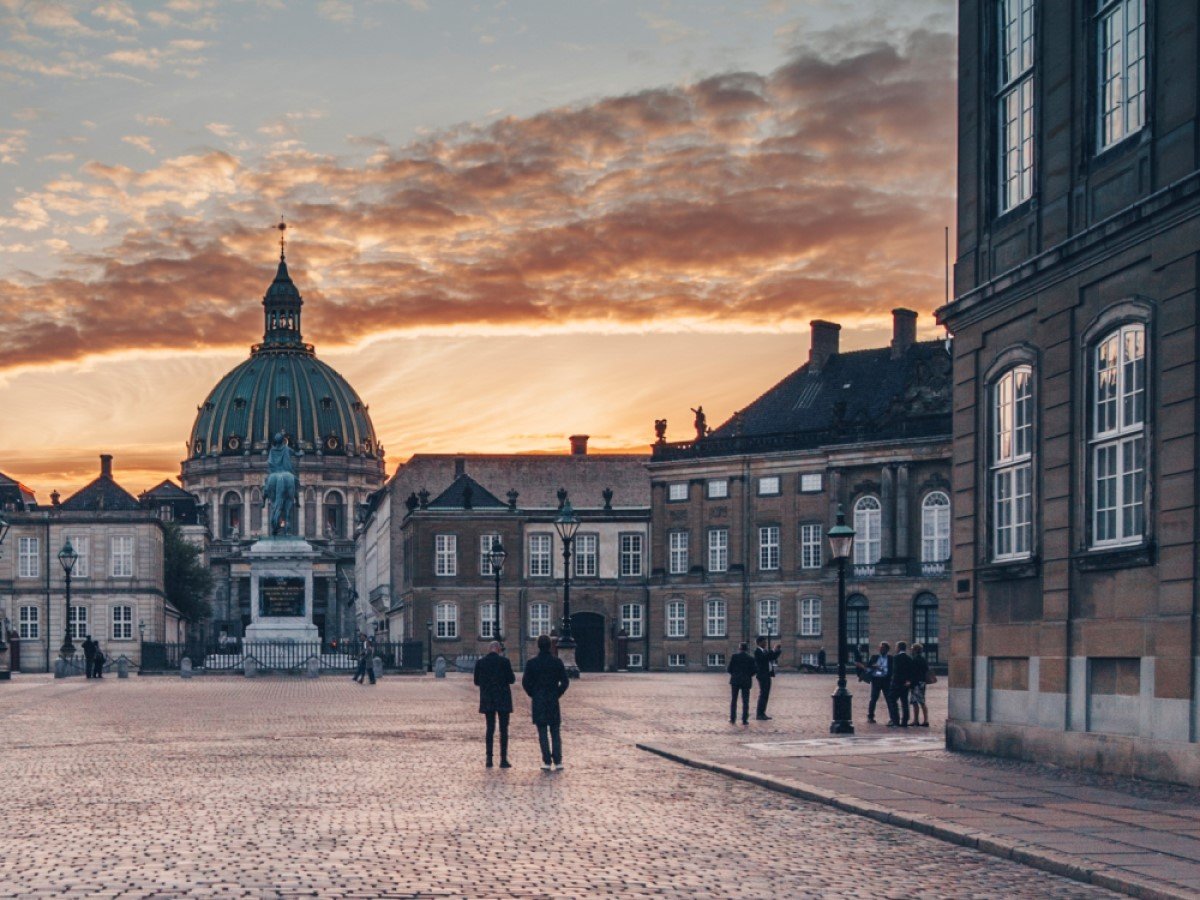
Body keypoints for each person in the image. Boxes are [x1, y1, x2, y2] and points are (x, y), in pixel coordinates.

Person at [522, 634, 569, 771]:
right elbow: (565, 682)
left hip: (539, 701)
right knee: (555, 731)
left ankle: (547, 761)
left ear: (538, 646)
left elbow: (525, 683)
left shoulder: (532, 663)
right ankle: (558, 760)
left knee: (542, 732)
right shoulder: (557, 662)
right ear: (550, 645)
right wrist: (558, 693)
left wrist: (534, 694)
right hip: (553, 700)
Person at [473, 641, 515, 768]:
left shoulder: (481, 663)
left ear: (490, 649)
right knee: (503, 730)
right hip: (503, 698)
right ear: (498, 649)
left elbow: (476, 681)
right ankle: (503, 759)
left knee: (490, 729)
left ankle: (489, 759)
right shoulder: (505, 662)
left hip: (488, 698)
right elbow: (512, 679)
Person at [855, 641, 895, 724]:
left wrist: (880, 668)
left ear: (887, 649)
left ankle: (892, 718)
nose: (881, 650)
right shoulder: (874, 657)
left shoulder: (891, 658)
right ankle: (870, 717)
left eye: (883, 648)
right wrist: (865, 668)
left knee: (889, 699)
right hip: (876, 680)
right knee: (873, 699)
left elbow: (891, 671)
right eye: (880, 648)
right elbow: (868, 668)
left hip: (886, 681)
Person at [753, 636, 782, 721]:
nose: (765, 643)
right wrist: (773, 650)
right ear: (759, 643)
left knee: (765, 695)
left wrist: (777, 650)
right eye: (764, 642)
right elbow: (765, 658)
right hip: (762, 676)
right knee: (763, 695)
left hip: (767, 675)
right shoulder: (757, 651)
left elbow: (772, 657)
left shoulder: (764, 651)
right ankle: (759, 714)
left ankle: (762, 713)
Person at [726, 642, 756, 724]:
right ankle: (744, 719)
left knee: (734, 700)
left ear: (740, 648)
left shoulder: (734, 656)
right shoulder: (751, 658)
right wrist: (748, 676)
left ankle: (733, 718)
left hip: (735, 680)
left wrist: (735, 675)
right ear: (746, 649)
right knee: (745, 701)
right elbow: (754, 671)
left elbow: (729, 669)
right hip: (746, 681)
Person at [890, 641, 916, 727]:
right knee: (904, 702)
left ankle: (895, 721)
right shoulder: (909, 658)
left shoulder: (896, 658)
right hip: (906, 684)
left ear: (899, 648)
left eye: (896, 647)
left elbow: (895, 671)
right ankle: (904, 721)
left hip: (897, 683)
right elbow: (912, 671)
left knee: (892, 700)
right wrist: (909, 681)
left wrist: (893, 682)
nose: (895, 648)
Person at [909, 643, 930, 727]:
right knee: (921, 702)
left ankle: (918, 721)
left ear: (915, 650)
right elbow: (926, 670)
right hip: (922, 682)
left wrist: (911, 683)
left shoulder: (914, 660)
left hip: (916, 683)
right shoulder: (923, 659)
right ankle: (923, 720)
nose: (911, 650)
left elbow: (913, 673)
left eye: (912, 648)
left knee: (916, 702)